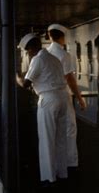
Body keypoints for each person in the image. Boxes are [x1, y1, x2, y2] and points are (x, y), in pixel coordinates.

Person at [16, 33, 69, 184]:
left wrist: (16, 78)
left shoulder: (38, 59)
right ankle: (62, 173)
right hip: (62, 98)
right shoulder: (54, 59)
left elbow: (26, 84)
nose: (28, 54)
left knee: (46, 139)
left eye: (27, 51)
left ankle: (49, 177)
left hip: (48, 101)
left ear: (32, 49)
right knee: (60, 139)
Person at [47, 23, 86, 174]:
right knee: (69, 129)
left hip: (50, 97)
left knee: (53, 130)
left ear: (50, 36)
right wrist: (80, 98)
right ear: (62, 37)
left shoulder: (45, 54)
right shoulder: (64, 55)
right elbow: (69, 78)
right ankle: (70, 163)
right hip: (63, 95)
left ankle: (55, 165)